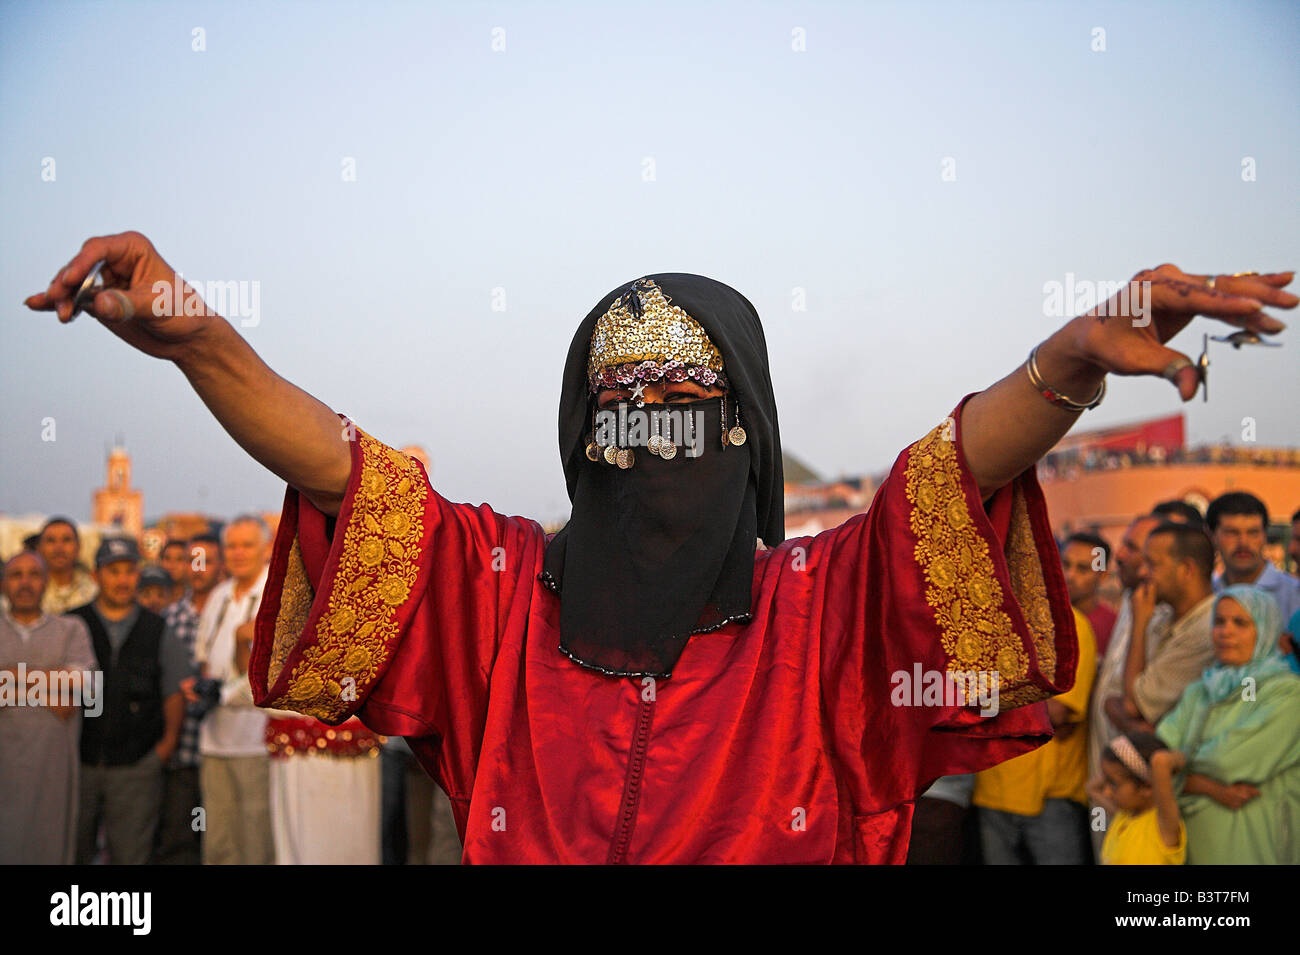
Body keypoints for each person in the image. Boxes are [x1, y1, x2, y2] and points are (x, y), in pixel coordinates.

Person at [25, 232, 1294, 863]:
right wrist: (201, 339)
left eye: (685, 415)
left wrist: (1066, 361)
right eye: (619, 416)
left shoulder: (820, 609)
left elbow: (952, 478)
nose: (651, 447)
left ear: (745, 435)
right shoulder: (503, 598)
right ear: (581, 439)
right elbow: (338, 469)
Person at [1155, 585, 1300, 863]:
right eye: (1219, 621)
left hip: (1254, 847)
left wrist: (1174, 773)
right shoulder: (1201, 690)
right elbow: (1151, 756)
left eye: (1241, 623)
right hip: (1191, 848)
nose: (1226, 631)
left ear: (1266, 630)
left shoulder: (1288, 693)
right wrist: (1209, 787)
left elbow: (1226, 762)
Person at [69, 537, 188, 864]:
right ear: (96, 576)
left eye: (129, 571)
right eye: (113, 571)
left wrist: (164, 748)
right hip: (78, 765)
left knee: (132, 856)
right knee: (72, 851)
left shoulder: (158, 629)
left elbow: (174, 692)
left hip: (135, 768)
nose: (122, 580)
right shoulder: (72, 624)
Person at [972, 609, 1097, 864]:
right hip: (992, 791)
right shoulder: (985, 620)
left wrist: (999, 698)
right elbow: (969, 702)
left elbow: (1058, 713)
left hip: (1051, 800)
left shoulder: (1071, 626)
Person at [188, 516, 275, 865]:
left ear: (267, 549)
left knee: (255, 840)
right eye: (232, 546)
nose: (237, 553)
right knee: (219, 840)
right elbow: (204, 659)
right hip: (214, 739)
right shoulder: (219, 596)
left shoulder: (277, 593)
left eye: (247, 545)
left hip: (258, 742)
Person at [0, 551, 97, 864]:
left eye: (33, 575)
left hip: (52, 769)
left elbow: (80, 685)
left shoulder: (71, 629)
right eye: (16, 575)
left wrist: (10, 678)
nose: (25, 583)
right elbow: (62, 692)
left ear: (46, 583)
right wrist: (50, 689)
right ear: (4, 584)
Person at [1106, 522, 1216, 739]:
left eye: (1152, 564)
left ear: (1187, 569)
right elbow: (1114, 695)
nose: (1142, 572)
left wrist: (1139, 625)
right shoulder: (1162, 617)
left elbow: (1131, 705)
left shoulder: (1208, 628)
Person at [153, 532, 223, 864]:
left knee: (220, 840)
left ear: (220, 567)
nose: (197, 569)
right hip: (181, 753)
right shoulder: (168, 618)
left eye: (206, 561)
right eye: (192, 560)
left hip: (222, 749)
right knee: (178, 840)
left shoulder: (231, 611)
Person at [1091, 731, 1186, 865]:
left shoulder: (1163, 825)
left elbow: (1161, 761)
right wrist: (1115, 771)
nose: (1106, 792)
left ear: (1146, 788)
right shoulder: (1123, 816)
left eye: (1113, 784)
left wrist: (1182, 758)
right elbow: (1091, 789)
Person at [1207, 491, 1300, 625]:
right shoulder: (1207, 595)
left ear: (1264, 535)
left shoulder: (1294, 596)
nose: (1243, 543)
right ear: (1212, 537)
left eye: (1253, 532)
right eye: (1232, 533)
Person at [1061, 531, 1117, 657]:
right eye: (1066, 564)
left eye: (1083, 568)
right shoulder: (1042, 617)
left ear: (1103, 575)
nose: (1070, 575)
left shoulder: (1113, 627)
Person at [37, 517, 98, 615]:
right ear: (39, 548)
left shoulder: (93, 591)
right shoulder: (31, 590)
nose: (59, 548)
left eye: (66, 540)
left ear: (78, 547)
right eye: (51, 541)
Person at [158, 539, 191, 606]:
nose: (172, 565)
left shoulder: (194, 599)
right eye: (167, 558)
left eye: (179, 559)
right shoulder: (150, 599)